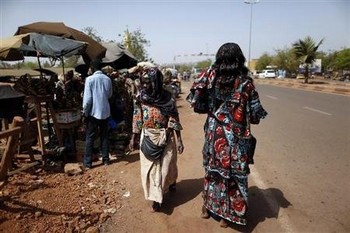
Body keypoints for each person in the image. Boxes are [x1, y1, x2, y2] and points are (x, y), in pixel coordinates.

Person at [188, 42, 267, 227]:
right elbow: (256, 116)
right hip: (236, 139)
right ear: (239, 59)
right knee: (233, 175)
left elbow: (195, 103)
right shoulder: (246, 84)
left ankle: (207, 208)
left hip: (214, 135)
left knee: (211, 171)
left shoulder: (208, 76)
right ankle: (228, 216)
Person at [129, 66, 184, 212]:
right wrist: (133, 137)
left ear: (157, 82)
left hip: (166, 137)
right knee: (150, 170)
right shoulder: (141, 97)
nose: (145, 86)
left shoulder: (168, 98)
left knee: (166, 168)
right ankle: (156, 198)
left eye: (149, 82)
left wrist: (179, 140)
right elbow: (137, 117)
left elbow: (174, 117)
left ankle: (170, 182)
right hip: (147, 137)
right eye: (144, 82)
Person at [82, 59, 113, 169]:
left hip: (93, 112)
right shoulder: (108, 79)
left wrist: (85, 112)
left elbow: (88, 99)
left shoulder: (89, 79)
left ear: (92, 68)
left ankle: (87, 163)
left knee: (90, 137)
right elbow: (109, 95)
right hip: (105, 111)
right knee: (104, 136)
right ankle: (106, 159)